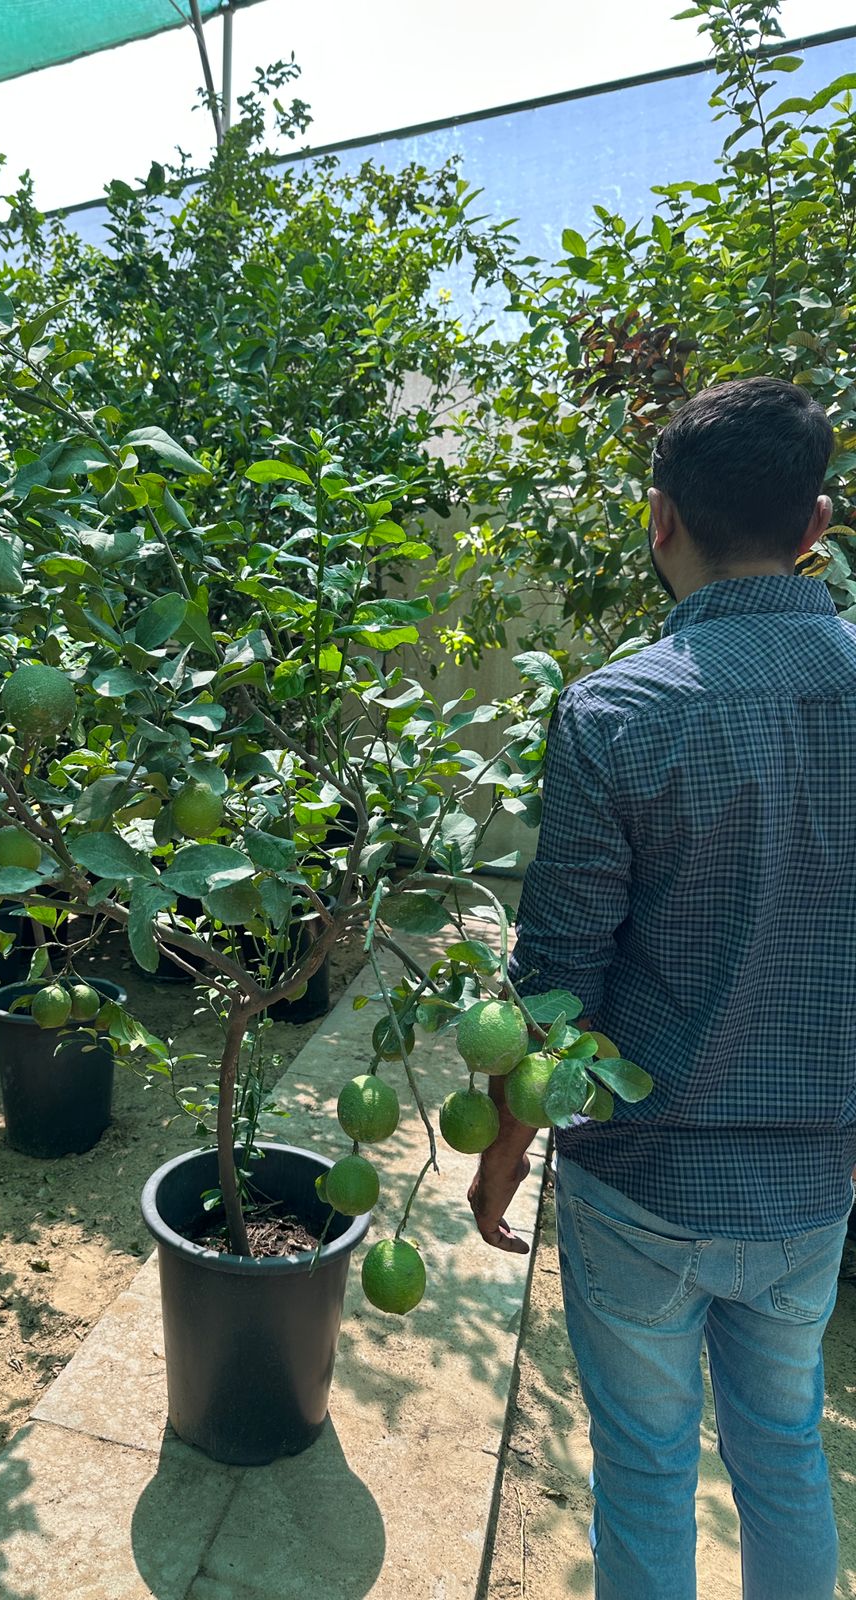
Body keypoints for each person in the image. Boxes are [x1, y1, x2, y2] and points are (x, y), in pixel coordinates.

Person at [468, 376, 853, 1600]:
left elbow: (558, 981)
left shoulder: (617, 711)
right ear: (816, 524)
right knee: (785, 1450)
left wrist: (505, 1148)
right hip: (810, 1184)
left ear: (660, 520)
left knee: (643, 1463)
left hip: (642, 1180)